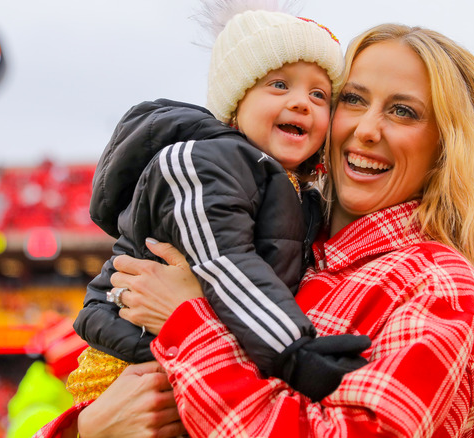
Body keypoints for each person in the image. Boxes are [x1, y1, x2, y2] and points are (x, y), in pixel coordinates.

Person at [52, 22, 474, 438]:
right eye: (353, 99)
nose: (366, 128)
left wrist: (186, 320)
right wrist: (89, 429)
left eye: (402, 111)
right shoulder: (288, 244)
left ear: (447, 149)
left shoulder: (436, 283)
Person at [66, 3, 370, 408]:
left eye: (319, 94)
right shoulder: (204, 161)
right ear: (234, 105)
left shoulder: (298, 190)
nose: (302, 102)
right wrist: (295, 354)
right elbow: (225, 263)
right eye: (279, 85)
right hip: (133, 368)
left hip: (199, 354)